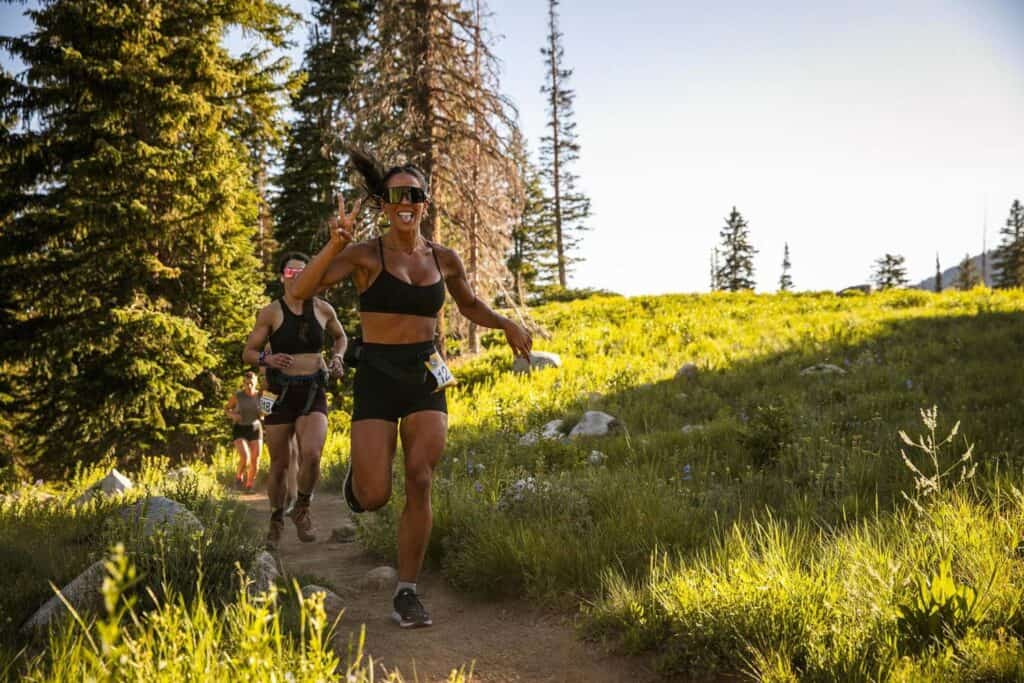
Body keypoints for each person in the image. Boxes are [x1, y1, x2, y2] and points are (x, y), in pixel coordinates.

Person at [291, 149, 533, 628]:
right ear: (384, 203)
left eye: (415, 194)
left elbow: (470, 304)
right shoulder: (363, 255)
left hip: (425, 373)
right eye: (397, 194)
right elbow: (301, 292)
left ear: (425, 203)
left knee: (421, 476)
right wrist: (334, 244)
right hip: (377, 374)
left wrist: (505, 323)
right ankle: (359, 488)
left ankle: (407, 591)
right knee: (376, 494)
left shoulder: (444, 259)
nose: (407, 202)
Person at [242, 252, 347, 549]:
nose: (298, 276)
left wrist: (337, 357)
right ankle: (276, 519)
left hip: (313, 391)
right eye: (291, 272)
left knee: (312, 454)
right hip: (278, 394)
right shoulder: (270, 312)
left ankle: (302, 508)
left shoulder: (323, 309)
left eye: (304, 271)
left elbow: (341, 337)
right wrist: (268, 358)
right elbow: (248, 352)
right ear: (281, 277)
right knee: (279, 464)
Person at [225, 371, 262, 490]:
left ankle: (249, 485)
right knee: (245, 457)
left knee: (255, 459)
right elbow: (227, 408)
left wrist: (263, 413)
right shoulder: (238, 396)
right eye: (246, 383)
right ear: (243, 383)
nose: (249, 386)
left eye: (251, 383)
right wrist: (232, 415)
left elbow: (264, 415)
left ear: (256, 382)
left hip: (255, 428)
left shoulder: (261, 396)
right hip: (240, 428)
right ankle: (238, 477)